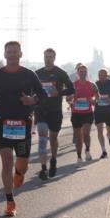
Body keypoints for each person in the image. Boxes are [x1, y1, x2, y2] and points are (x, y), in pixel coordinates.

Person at [0, 41, 47, 217]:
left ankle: (19, 173)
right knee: (6, 162)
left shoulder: (29, 74)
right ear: (4, 54)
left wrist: (32, 100)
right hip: (3, 123)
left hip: (23, 124)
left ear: (20, 54)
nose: (11, 54)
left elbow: (43, 95)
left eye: (14, 52)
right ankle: (10, 201)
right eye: (8, 52)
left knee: (22, 166)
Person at [34, 48, 75, 180]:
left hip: (55, 111)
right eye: (46, 56)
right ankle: (43, 168)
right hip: (41, 110)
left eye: (51, 56)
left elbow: (71, 89)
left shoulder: (60, 73)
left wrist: (60, 93)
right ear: (43, 57)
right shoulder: (37, 74)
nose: (48, 59)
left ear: (54, 58)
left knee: (53, 138)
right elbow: (30, 90)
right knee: (42, 136)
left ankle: (53, 160)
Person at [69, 64, 99, 162]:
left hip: (87, 113)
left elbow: (97, 96)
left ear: (87, 73)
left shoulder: (91, 85)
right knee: (78, 137)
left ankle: (87, 150)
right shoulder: (73, 85)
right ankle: (79, 156)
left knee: (86, 134)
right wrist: (72, 97)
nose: (83, 73)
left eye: (84, 71)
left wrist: (93, 100)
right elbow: (67, 98)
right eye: (81, 71)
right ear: (77, 73)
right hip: (76, 113)